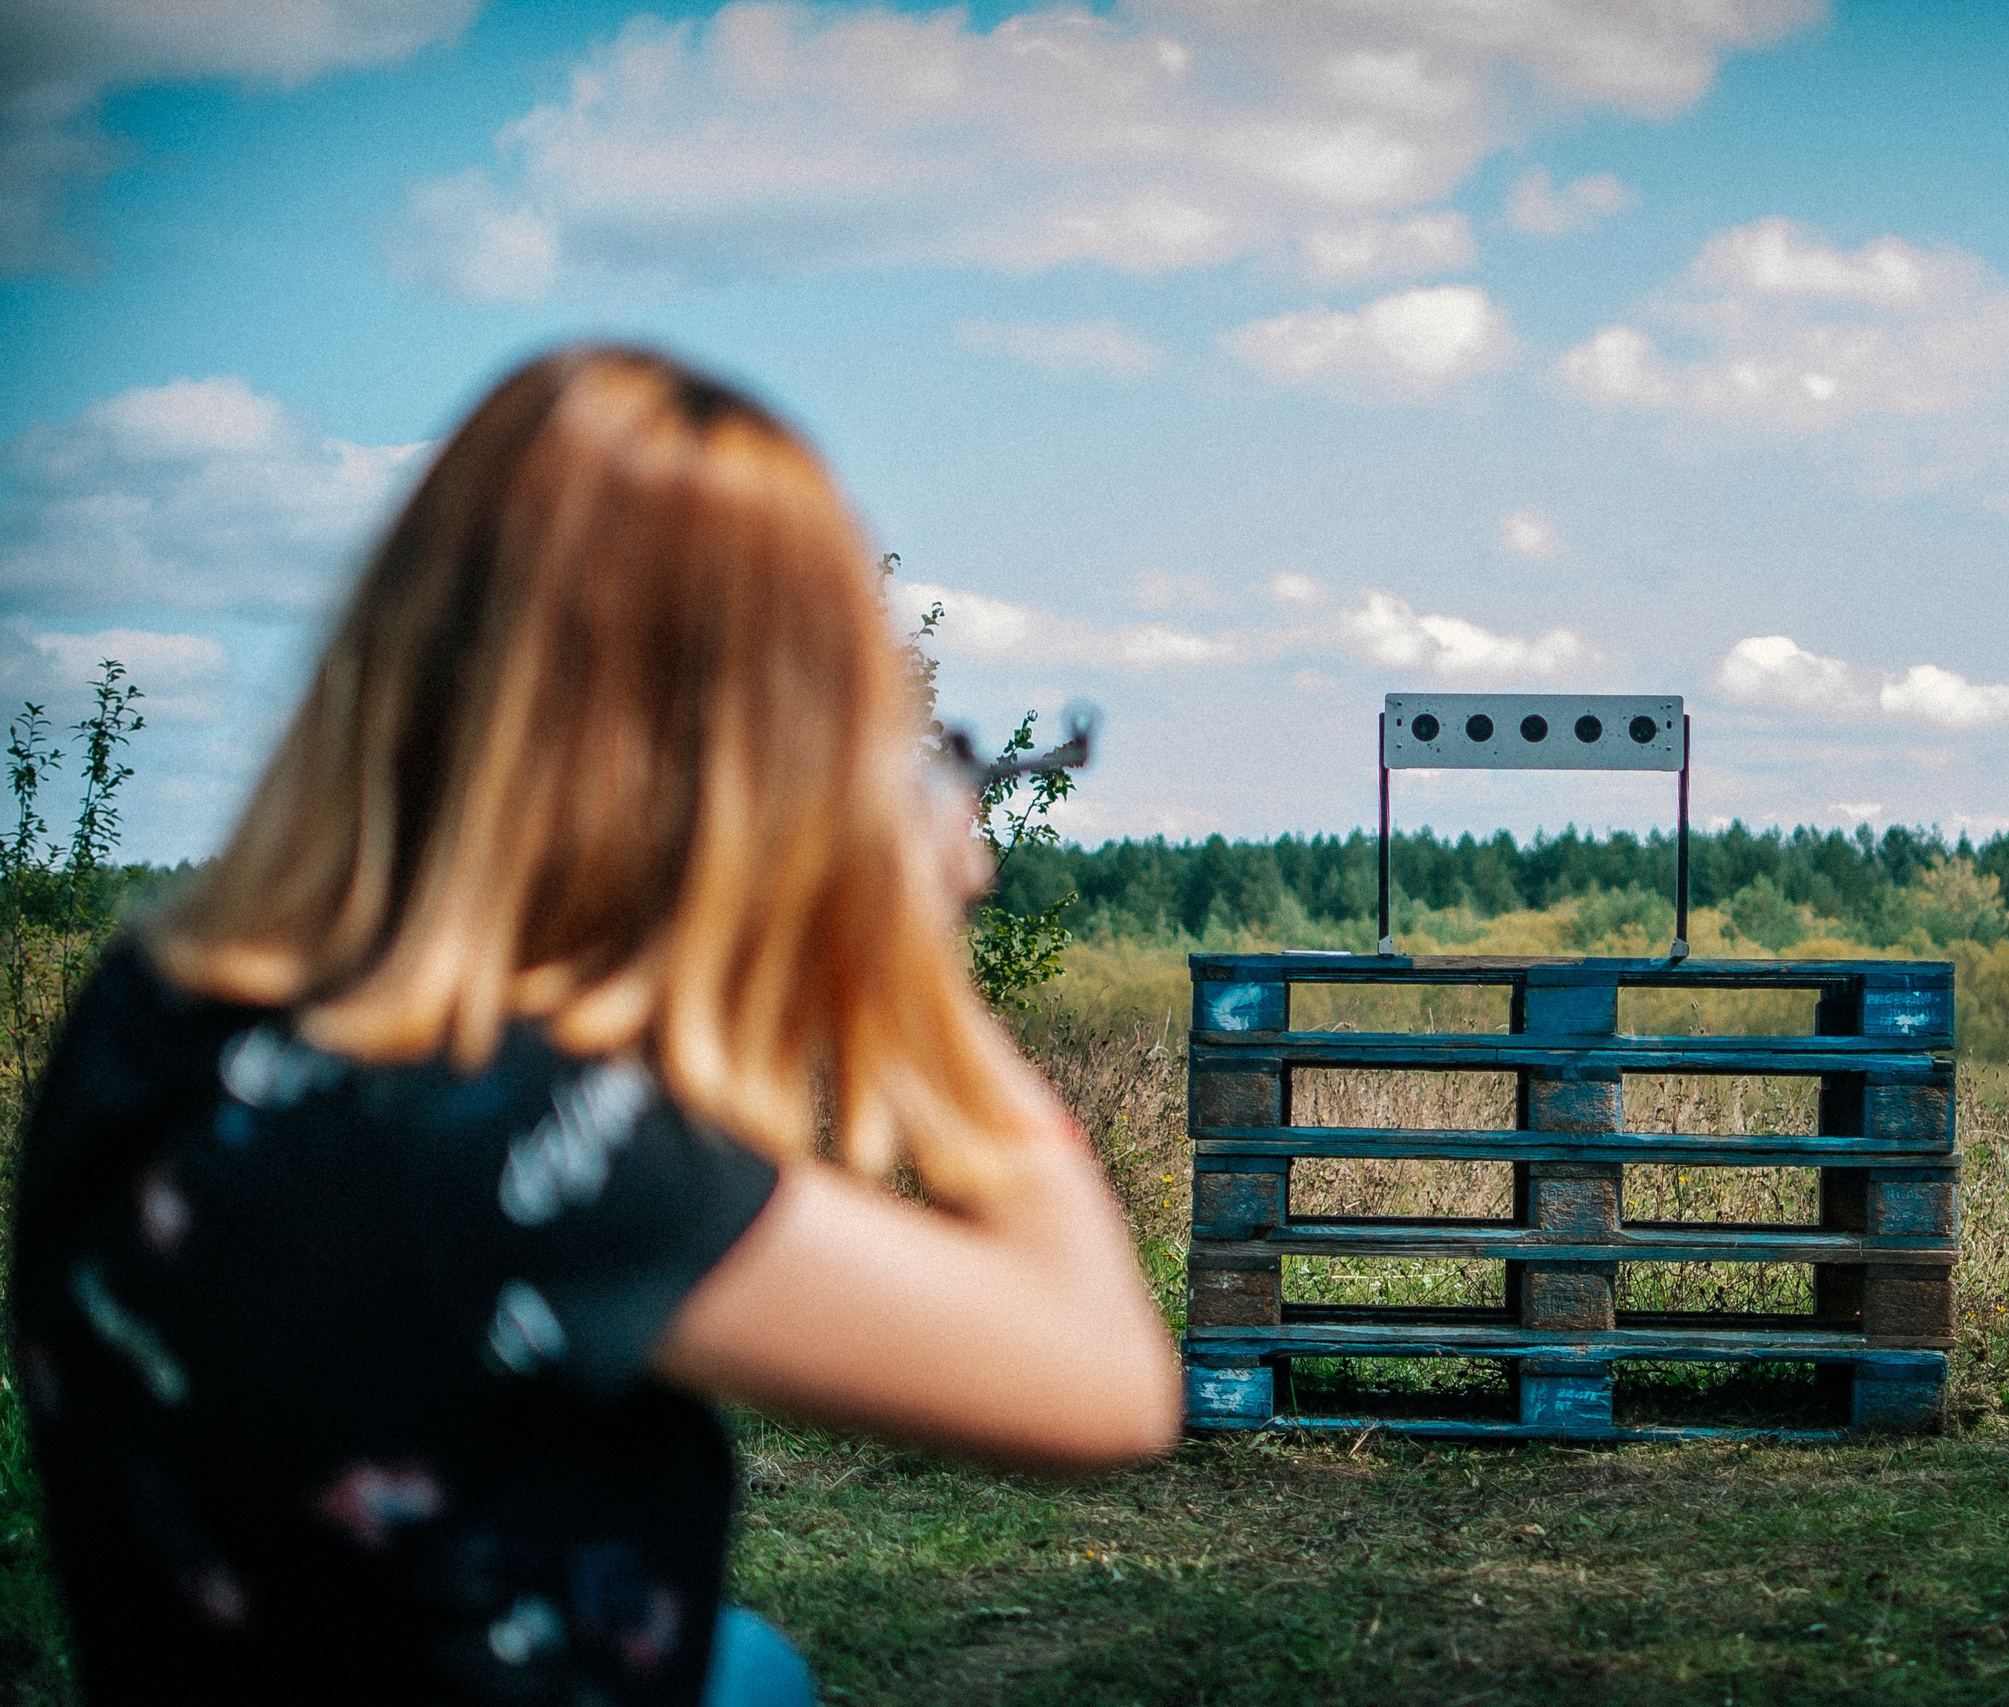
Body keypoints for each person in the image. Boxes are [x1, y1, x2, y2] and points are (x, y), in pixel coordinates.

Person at [7, 347, 1183, 1705]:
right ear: (730, 755)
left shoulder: (152, 1003)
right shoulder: (533, 1142)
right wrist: (906, 955)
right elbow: (1104, 1381)